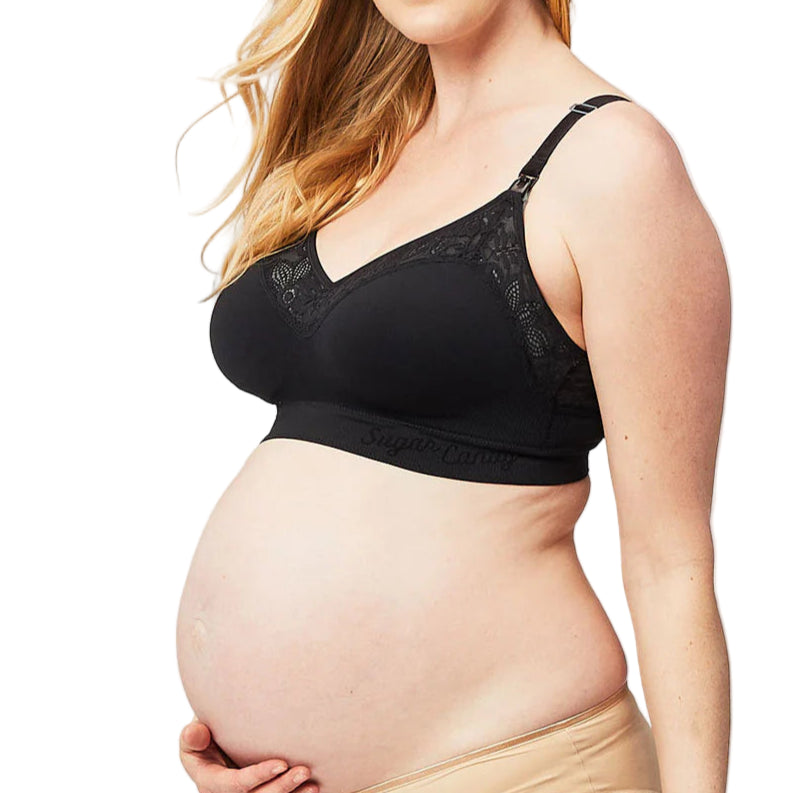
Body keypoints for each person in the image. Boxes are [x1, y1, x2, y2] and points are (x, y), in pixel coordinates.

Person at [175, 2, 731, 793]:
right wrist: (243, 727)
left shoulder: (613, 162)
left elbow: (669, 558)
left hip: (517, 768)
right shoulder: (358, 147)